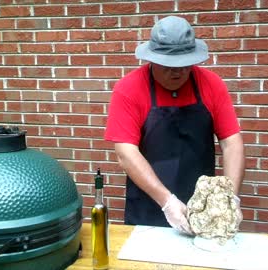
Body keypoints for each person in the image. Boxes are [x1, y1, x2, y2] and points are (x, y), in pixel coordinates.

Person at [104, 16, 245, 235]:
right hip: (148, 206)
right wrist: (167, 202)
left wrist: (229, 198)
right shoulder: (128, 89)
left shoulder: (212, 84)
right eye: (168, 66)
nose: (177, 72)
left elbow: (231, 142)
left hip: (202, 210)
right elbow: (125, 152)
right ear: (152, 59)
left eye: (184, 65)